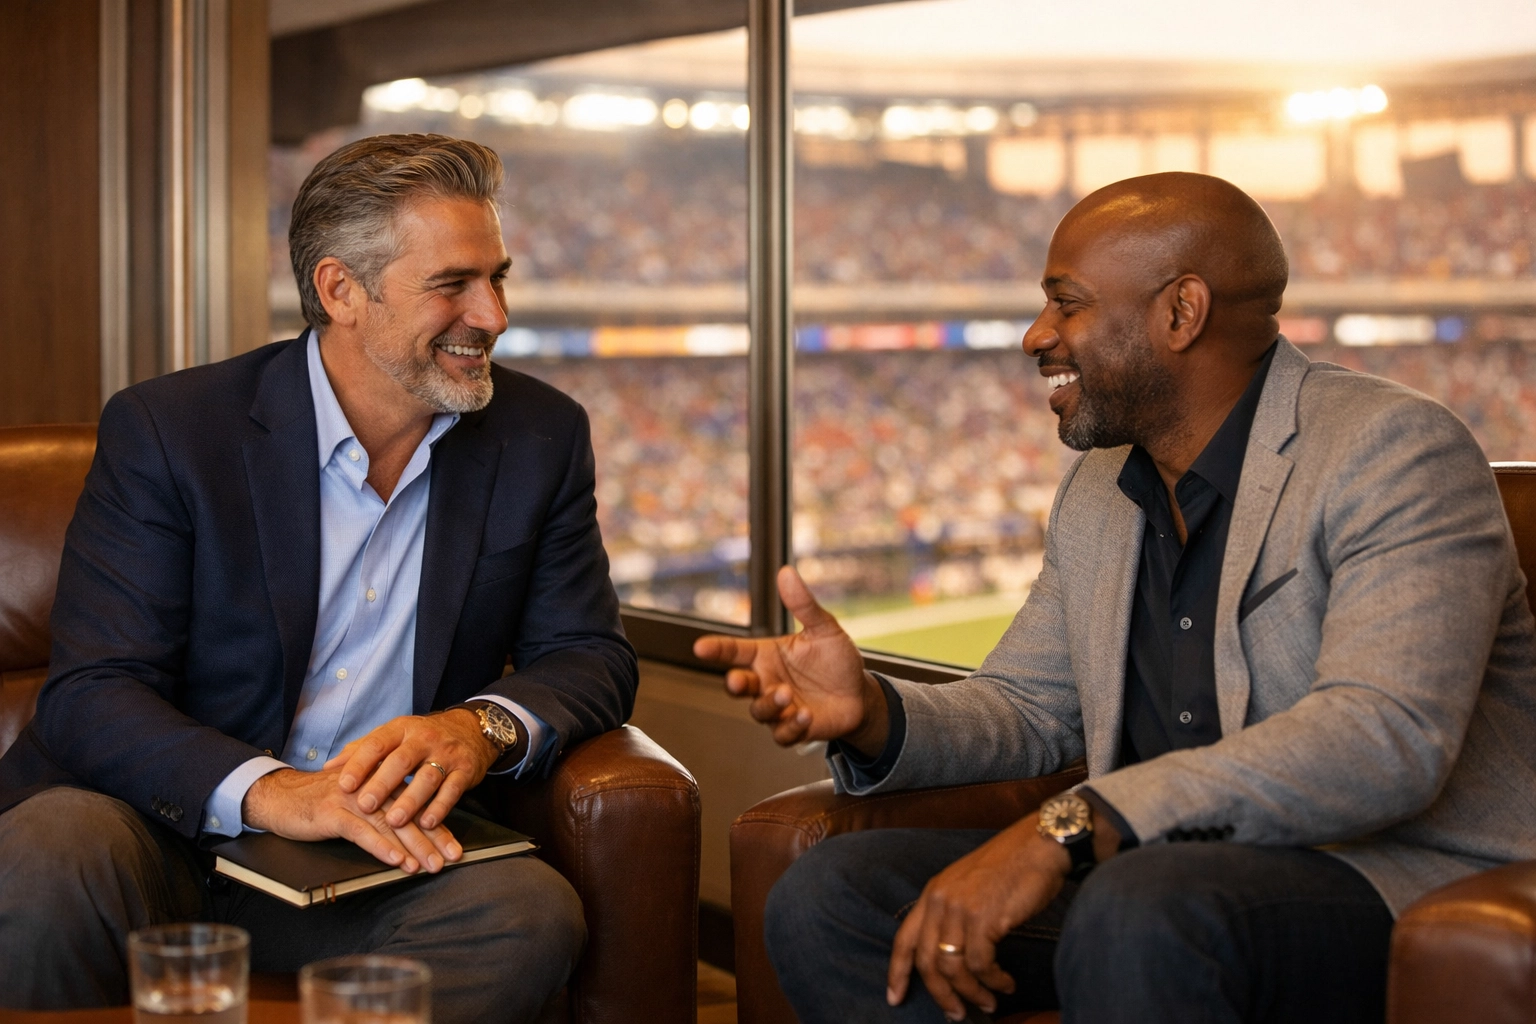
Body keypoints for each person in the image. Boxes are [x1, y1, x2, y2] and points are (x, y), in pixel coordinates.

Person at [697, 171, 1536, 1023]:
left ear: (1181, 312)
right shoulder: (1098, 489)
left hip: (1378, 879)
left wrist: (1074, 822)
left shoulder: (1393, 449)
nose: (1036, 335)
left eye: (1067, 304)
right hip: (1141, 878)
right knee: (832, 897)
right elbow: (1031, 707)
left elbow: (1380, 737)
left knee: (1141, 905)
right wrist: (874, 713)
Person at [0, 134, 637, 1022]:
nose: (492, 315)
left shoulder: (542, 435)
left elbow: (588, 653)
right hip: (154, 831)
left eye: (498, 277)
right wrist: (271, 792)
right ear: (340, 289)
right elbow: (93, 690)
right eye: (453, 285)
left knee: (525, 914)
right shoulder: (171, 429)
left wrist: (478, 725)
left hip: (372, 855)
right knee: (49, 847)